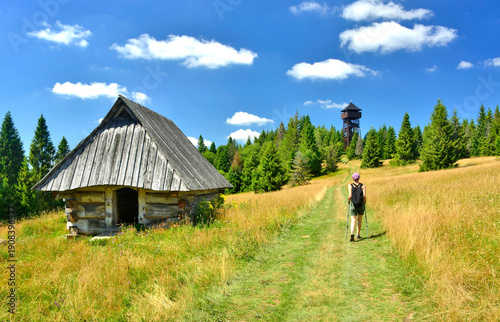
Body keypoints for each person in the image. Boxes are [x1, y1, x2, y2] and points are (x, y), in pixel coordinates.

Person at [348, 172, 366, 242]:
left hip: (353, 204)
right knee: (360, 219)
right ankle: (358, 234)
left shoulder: (350, 185)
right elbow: (364, 196)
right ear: (359, 178)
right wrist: (364, 201)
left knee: (353, 220)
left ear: (353, 178)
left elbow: (350, 196)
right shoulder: (363, 186)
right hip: (361, 204)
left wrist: (349, 201)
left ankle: (352, 232)